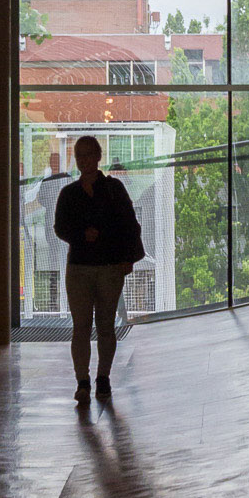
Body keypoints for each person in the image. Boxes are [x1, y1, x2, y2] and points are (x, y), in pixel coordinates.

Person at [53, 135, 145, 404]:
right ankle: (83, 380)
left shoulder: (114, 189)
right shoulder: (68, 194)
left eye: (89, 154)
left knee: (105, 325)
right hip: (80, 268)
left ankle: (102, 377)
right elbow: (60, 227)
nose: (84, 160)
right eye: (80, 156)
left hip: (108, 267)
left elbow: (130, 224)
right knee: (81, 326)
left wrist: (128, 258)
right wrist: (83, 235)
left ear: (98, 156)